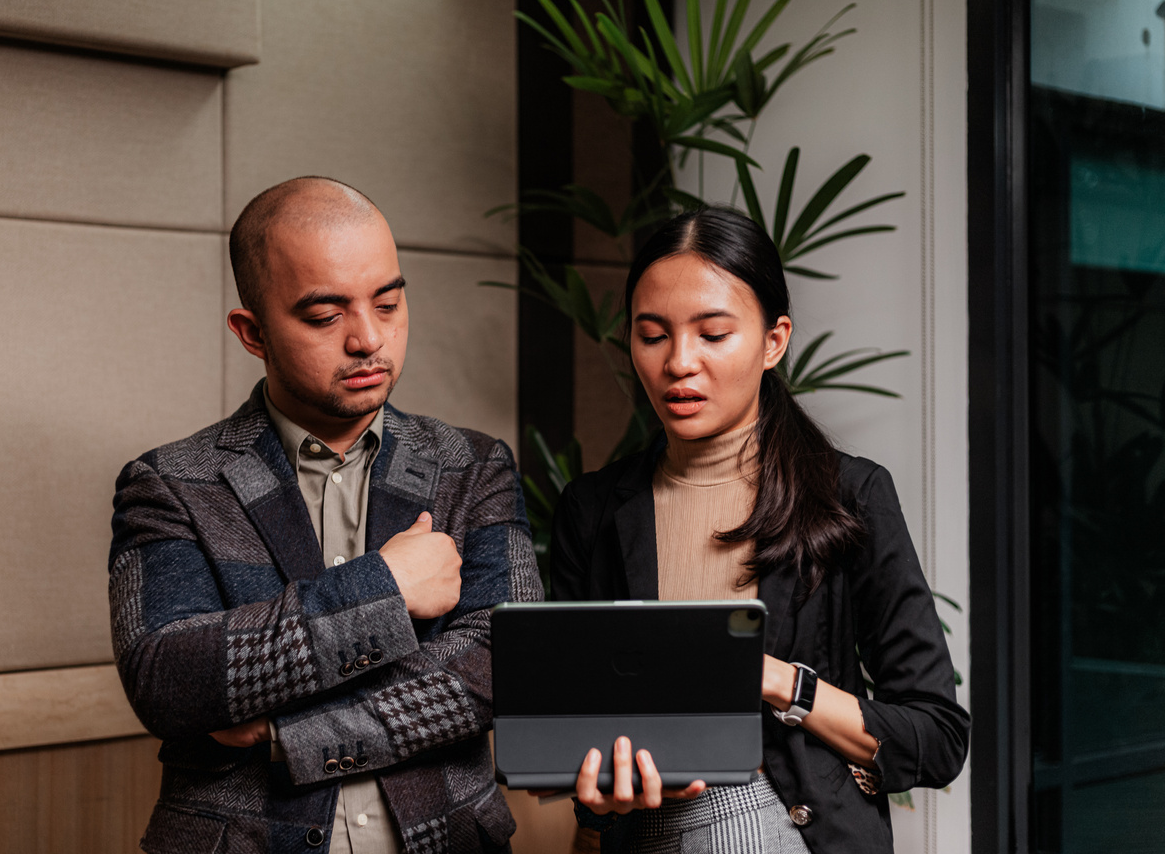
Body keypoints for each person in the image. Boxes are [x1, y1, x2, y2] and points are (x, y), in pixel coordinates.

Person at [108, 176, 540, 854]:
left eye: (389, 303)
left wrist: (287, 733)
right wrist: (388, 588)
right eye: (323, 316)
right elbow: (170, 680)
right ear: (252, 332)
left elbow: (504, 665)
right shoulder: (171, 482)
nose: (369, 339)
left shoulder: (473, 464)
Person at [548, 208, 969, 853]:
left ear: (774, 341)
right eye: (652, 335)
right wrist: (599, 799)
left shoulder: (849, 495)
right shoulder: (594, 510)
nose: (679, 363)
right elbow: (575, 735)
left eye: (713, 334)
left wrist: (775, 680)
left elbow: (936, 736)